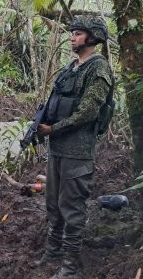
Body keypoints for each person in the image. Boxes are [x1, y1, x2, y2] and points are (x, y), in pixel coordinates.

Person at [35, 15, 113, 278]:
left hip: (78, 152)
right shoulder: (71, 67)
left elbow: (88, 111)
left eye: (78, 34)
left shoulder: (98, 69)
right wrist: (42, 125)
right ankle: (53, 250)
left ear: (92, 38)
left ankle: (70, 266)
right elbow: (55, 102)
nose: (72, 37)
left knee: (72, 208)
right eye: (73, 33)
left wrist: (53, 129)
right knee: (53, 204)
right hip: (58, 149)